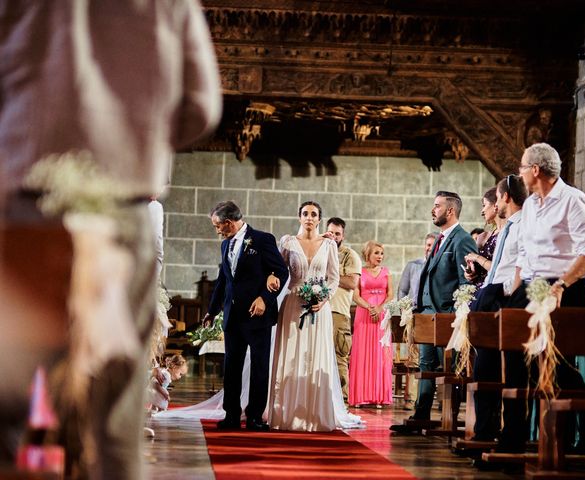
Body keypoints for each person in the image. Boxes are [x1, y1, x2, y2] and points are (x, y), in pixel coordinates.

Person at [0, 1, 221, 477]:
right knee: (114, 409)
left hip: (29, 203)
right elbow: (202, 107)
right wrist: (137, 138)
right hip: (122, 206)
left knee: (17, 404)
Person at [501, 142, 585, 454]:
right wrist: (516, 292)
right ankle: (514, 439)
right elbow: (526, 254)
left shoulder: (572, 200)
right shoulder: (530, 205)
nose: (519, 173)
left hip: (564, 289)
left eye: (521, 167)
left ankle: (569, 442)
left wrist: (561, 286)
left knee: (560, 365)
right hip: (533, 286)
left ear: (535, 170)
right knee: (517, 360)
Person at [267, 201, 363, 431]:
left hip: (320, 309)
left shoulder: (328, 244)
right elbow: (279, 270)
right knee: (291, 357)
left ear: (319, 219)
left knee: (314, 357)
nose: (309, 217)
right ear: (299, 216)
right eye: (305, 213)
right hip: (292, 303)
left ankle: (313, 411)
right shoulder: (288, 242)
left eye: (314, 214)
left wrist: (324, 298)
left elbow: (333, 278)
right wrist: (271, 277)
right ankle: (285, 410)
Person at [391, 191, 477, 433]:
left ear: (450, 211)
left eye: (437, 206)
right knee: (425, 367)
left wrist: (455, 314)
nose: (433, 210)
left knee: (449, 370)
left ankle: (449, 417)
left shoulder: (461, 240)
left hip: (446, 318)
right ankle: (421, 415)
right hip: (428, 315)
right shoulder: (440, 239)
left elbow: (466, 283)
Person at [204, 201, 288, 432]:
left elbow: (280, 270)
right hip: (233, 317)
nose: (217, 230)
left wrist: (264, 298)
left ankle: (254, 417)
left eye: (217, 225)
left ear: (228, 223)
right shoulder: (225, 245)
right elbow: (223, 280)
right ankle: (231, 415)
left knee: (260, 368)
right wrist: (212, 311)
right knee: (232, 367)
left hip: (257, 315)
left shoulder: (262, 239)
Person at [467, 175, 527, 443]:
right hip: (489, 296)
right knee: (483, 369)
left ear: (505, 197)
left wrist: (508, 296)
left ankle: (499, 433)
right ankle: (484, 431)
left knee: (495, 369)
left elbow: (520, 266)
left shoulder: (525, 224)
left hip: (502, 297)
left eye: (497, 197)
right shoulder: (508, 226)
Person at [349, 241, 394, 407]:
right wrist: (369, 308)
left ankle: (379, 396)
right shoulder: (359, 273)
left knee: (380, 354)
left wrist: (379, 308)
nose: (380, 256)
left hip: (381, 317)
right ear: (367, 254)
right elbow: (355, 296)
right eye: (376, 253)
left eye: (381, 253)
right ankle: (360, 396)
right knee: (362, 353)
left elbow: (390, 294)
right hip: (364, 314)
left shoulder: (386, 272)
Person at [397, 232, 437, 409]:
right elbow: (402, 290)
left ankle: (434, 400)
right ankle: (411, 398)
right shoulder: (413, 265)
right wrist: (404, 309)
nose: (429, 247)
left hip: (433, 318)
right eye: (427, 244)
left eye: (432, 244)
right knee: (414, 359)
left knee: (432, 361)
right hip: (414, 316)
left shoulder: (439, 266)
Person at [325, 217, 362, 404]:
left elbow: (351, 282)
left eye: (337, 233)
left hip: (338, 313)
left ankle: (342, 400)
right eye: (331, 232)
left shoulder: (350, 255)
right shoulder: (319, 251)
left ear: (343, 236)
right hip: (317, 311)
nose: (334, 236)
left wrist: (329, 274)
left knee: (338, 356)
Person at [464, 187, 504, 287]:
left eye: (484, 205)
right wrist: (469, 271)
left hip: (494, 290)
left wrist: (477, 257)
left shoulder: (506, 234)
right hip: (478, 290)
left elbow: (501, 268)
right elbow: (478, 268)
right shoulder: (484, 236)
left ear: (495, 205)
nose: (482, 211)